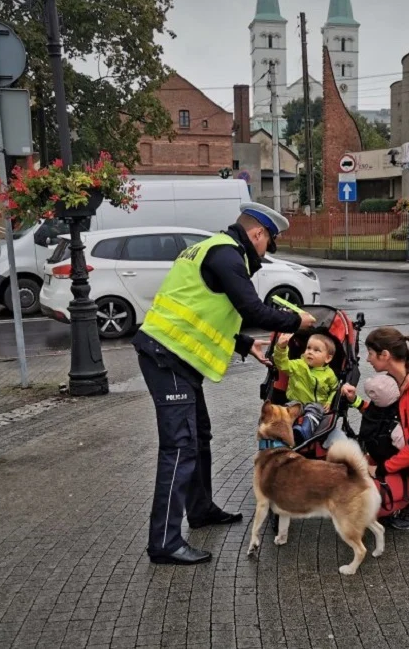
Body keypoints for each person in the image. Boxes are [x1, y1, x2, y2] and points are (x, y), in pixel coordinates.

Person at [133, 203, 318, 565]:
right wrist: (298, 321)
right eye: (267, 244)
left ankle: (200, 509)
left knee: (199, 436)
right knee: (179, 447)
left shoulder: (212, 249)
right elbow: (254, 311)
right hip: (166, 356)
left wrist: (246, 344)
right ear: (258, 234)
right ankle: (164, 543)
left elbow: (204, 310)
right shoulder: (227, 255)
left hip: (176, 357)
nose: (264, 254)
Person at [341, 327, 409, 530]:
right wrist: (355, 401)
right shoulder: (394, 382)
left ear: (385, 355)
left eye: (371, 354)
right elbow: (380, 418)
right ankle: (399, 496)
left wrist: (380, 469)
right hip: (392, 454)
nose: (368, 359)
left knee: (367, 495)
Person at [273, 332, 338, 443]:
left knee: (315, 410)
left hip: (316, 404)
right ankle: (280, 429)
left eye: (316, 350)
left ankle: (304, 431)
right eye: (308, 348)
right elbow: (282, 363)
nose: (310, 352)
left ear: (327, 358)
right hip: (296, 401)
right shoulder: (298, 365)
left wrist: (329, 401)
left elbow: (335, 389)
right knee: (287, 409)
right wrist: (281, 348)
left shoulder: (329, 374)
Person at [350, 373, 404, 467]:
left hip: (377, 458)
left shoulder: (374, 408)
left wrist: (354, 400)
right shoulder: (393, 416)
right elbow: (403, 445)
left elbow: (366, 410)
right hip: (383, 460)